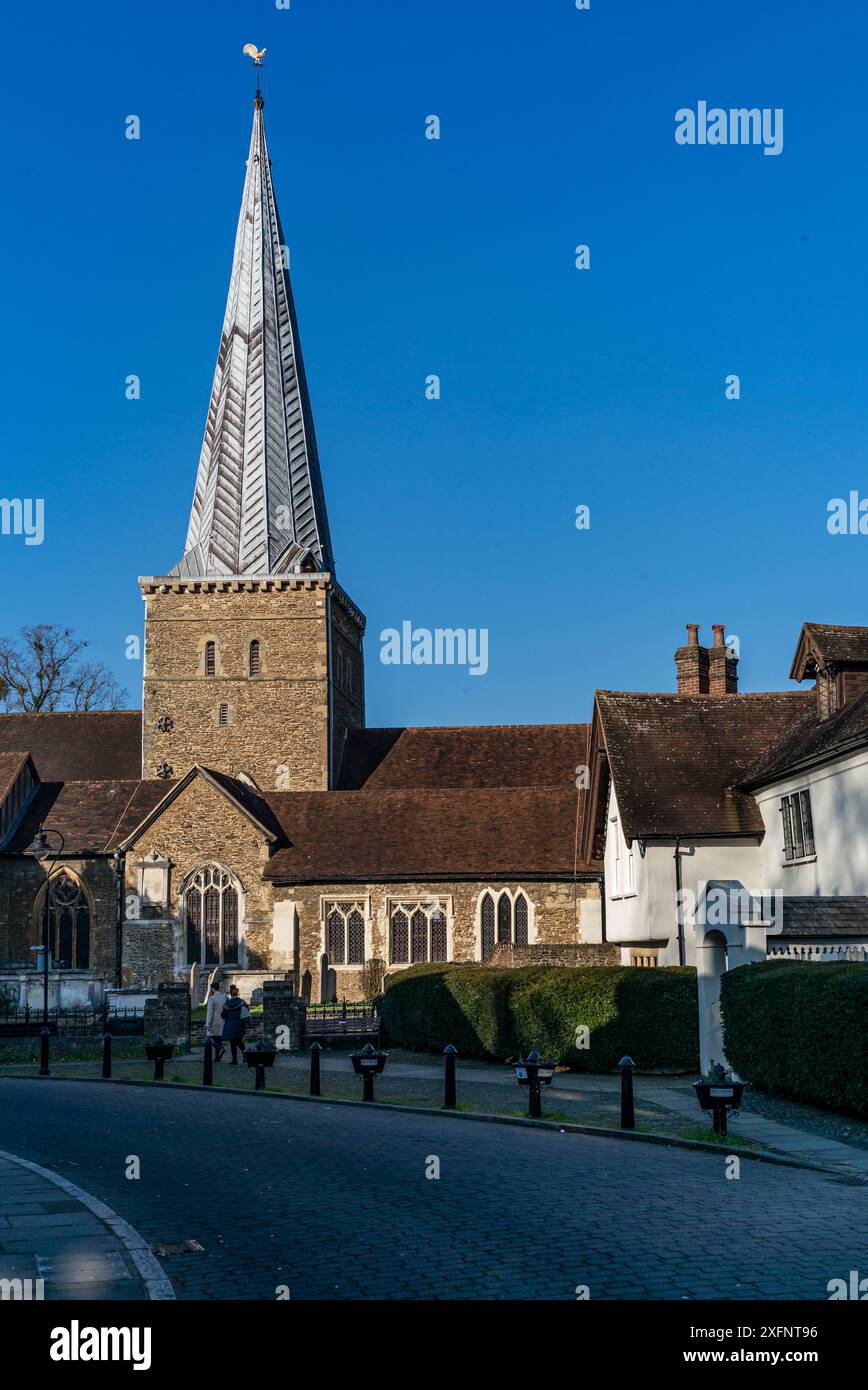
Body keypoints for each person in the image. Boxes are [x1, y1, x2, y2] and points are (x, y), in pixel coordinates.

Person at [221, 985, 249, 1064]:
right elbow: (247, 1012)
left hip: (230, 1025)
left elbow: (223, 1015)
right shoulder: (242, 1002)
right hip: (240, 1024)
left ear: (230, 993)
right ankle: (245, 1056)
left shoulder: (227, 1003)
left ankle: (234, 1060)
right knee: (239, 1041)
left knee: (232, 1043)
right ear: (237, 993)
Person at [205, 978, 227, 1062]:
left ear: (213, 989)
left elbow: (210, 1012)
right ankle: (217, 1057)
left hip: (214, 1022)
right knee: (218, 1039)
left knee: (211, 1039)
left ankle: (220, 1049)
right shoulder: (224, 997)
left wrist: (208, 1024)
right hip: (222, 1021)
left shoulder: (212, 998)